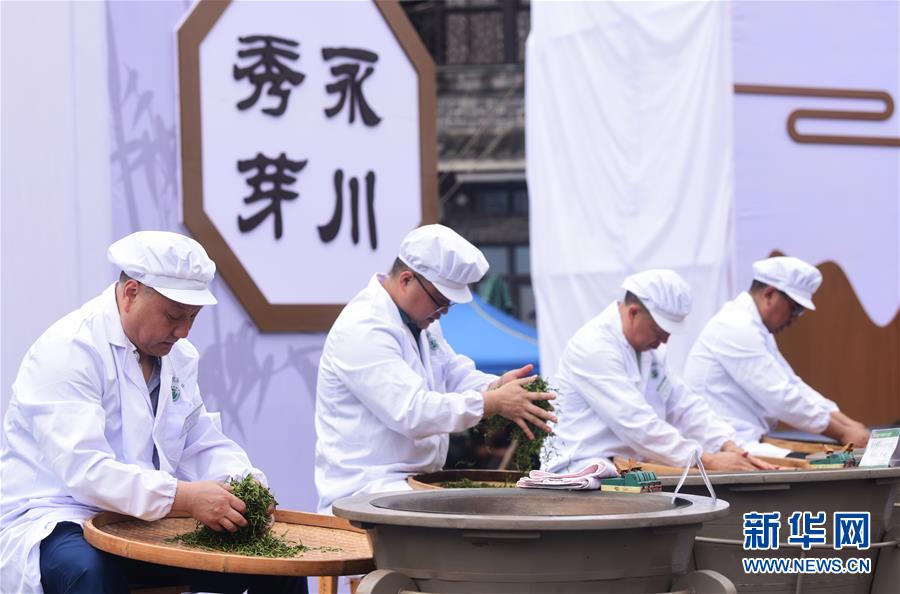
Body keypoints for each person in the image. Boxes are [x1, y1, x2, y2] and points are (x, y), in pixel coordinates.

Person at [0, 231, 306, 594]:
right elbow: (86, 473)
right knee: (90, 572)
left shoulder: (178, 357)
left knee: (277, 565)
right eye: (174, 316)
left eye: (193, 317)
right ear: (131, 293)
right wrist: (186, 498)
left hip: (141, 522)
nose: (183, 331)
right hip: (60, 518)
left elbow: (198, 442)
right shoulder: (69, 349)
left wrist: (245, 482)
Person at [314, 224, 555, 512]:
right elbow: (412, 412)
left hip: (410, 485)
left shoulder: (422, 324)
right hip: (366, 491)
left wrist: (495, 386)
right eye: (440, 301)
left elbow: (453, 372)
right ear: (407, 279)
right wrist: (493, 402)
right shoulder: (363, 327)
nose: (445, 311)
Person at [541, 270, 773, 473]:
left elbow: (683, 405)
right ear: (633, 313)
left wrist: (726, 443)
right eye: (659, 330)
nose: (664, 340)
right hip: (579, 471)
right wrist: (706, 460)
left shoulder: (649, 351)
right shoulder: (594, 347)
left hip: (623, 469)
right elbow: (636, 423)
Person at [683, 256, 869, 452]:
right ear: (770, 294)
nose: (795, 318)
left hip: (744, 441)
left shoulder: (753, 327)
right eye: (795, 308)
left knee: (829, 459)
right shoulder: (735, 326)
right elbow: (781, 398)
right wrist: (843, 433)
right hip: (724, 447)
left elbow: (793, 384)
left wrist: (849, 425)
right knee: (826, 463)